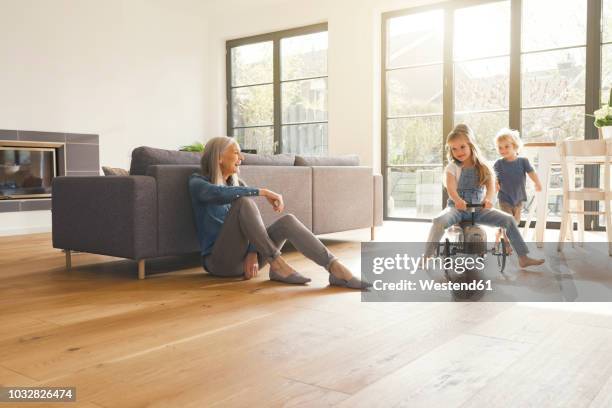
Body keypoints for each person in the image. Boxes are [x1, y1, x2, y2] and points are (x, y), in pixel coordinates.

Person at [188, 136, 370, 289]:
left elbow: (250, 224)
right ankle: (278, 263)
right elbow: (218, 194)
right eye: (236, 152)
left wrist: (253, 250)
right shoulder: (198, 183)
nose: (241, 157)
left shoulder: (237, 185)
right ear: (219, 157)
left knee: (287, 221)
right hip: (220, 263)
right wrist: (264, 191)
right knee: (243, 202)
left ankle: (335, 268)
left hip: (247, 263)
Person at [425, 124, 544, 268]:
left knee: (509, 220)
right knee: (438, 221)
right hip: (457, 209)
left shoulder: (483, 166)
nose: (458, 152)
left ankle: (523, 258)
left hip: (479, 209)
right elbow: (451, 188)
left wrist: (488, 199)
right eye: (454, 149)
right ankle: (427, 256)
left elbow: (491, 187)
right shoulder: (452, 167)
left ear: (471, 145)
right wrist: (457, 200)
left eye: (462, 147)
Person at [493, 128, 542, 253]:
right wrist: (496, 184)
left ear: (515, 146)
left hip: (519, 198)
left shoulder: (523, 161)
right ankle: (507, 245)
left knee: (516, 222)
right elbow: (494, 177)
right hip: (504, 198)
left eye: (506, 147)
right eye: (500, 147)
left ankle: (499, 233)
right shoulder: (498, 163)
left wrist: (537, 182)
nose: (503, 150)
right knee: (508, 222)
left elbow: (531, 172)